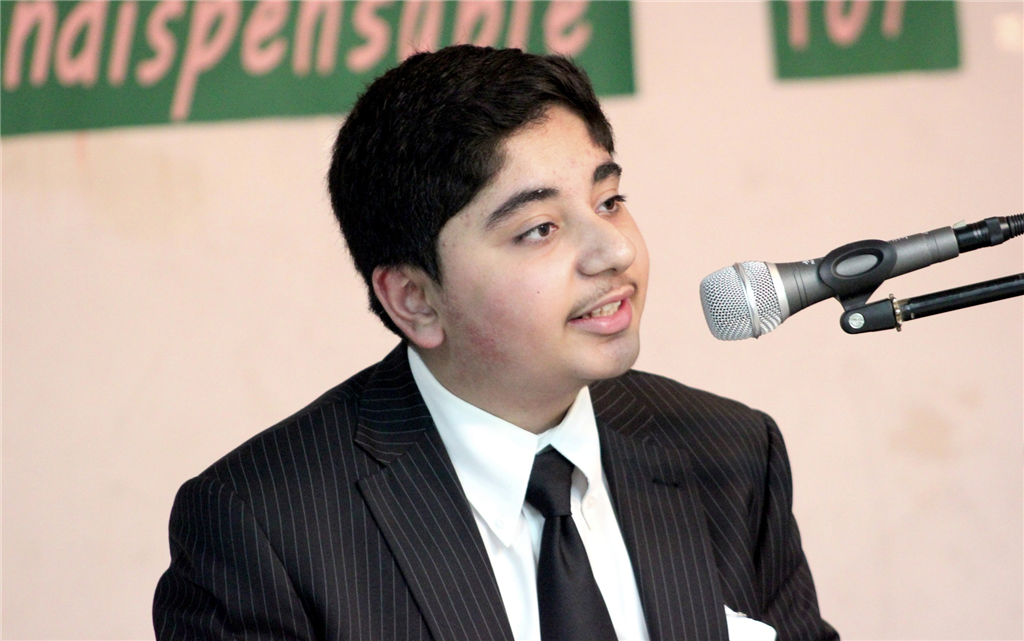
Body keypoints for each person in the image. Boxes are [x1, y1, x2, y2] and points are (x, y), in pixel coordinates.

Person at [153, 45, 838, 641]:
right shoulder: (262, 527)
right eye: (540, 229)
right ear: (415, 299)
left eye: (608, 201)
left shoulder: (730, 454)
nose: (614, 250)